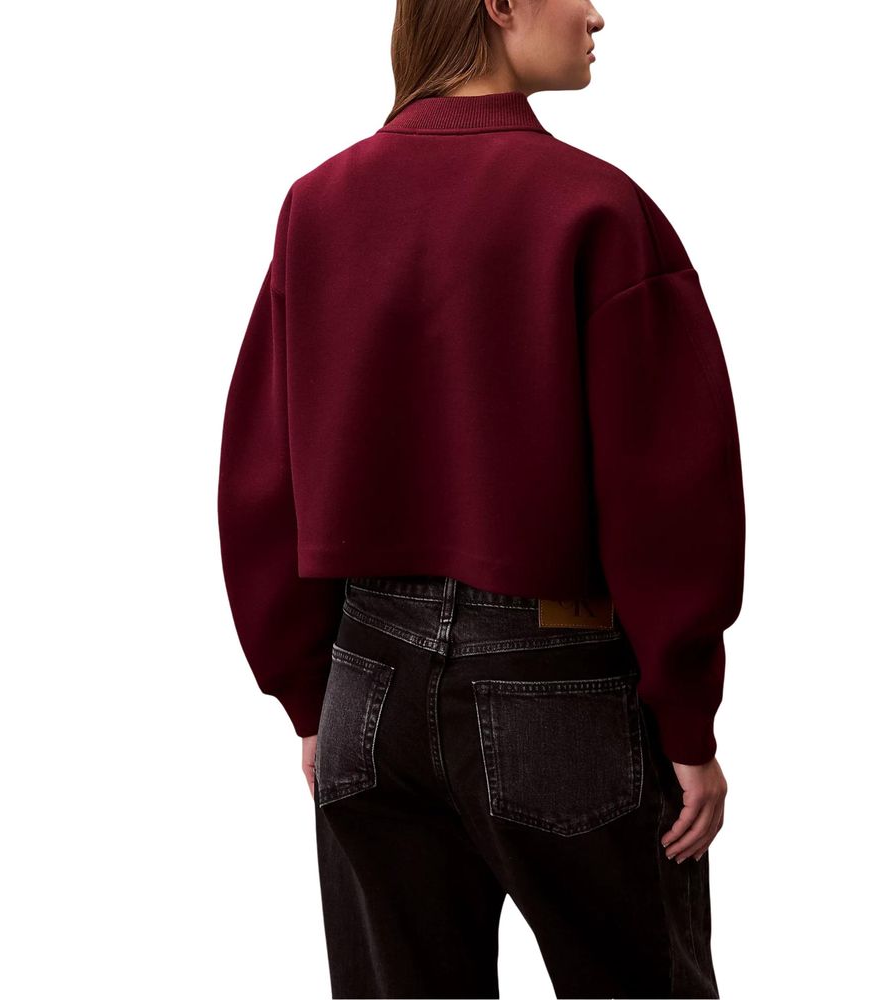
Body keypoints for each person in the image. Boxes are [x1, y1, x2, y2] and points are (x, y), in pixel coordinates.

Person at [217, 1, 746, 996]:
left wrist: (311, 695)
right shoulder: (596, 209)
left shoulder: (318, 204)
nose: (596, 14)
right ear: (499, 3)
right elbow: (670, 492)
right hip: (559, 682)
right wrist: (687, 722)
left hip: (365, 685)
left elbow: (261, 473)